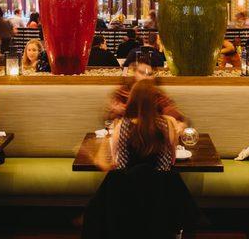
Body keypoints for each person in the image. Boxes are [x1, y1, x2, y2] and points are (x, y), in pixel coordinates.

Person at [83, 80, 199, 238]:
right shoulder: (168, 124)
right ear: (154, 102)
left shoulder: (120, 126)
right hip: (160, 206)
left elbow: (119, 165)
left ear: (131, 100)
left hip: (126, 207)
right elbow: (170, 162)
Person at [107, 62, 185, 125]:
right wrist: (116, 112)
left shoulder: (157, 94)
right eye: (142, 73)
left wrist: (181, 124)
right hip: (125, 136)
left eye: (149, 74)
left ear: (153, 77)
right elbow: (109, 119)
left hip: (151, 137)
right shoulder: (123, 92)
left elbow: (177, 116)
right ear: (135, 74)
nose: (145, 77)